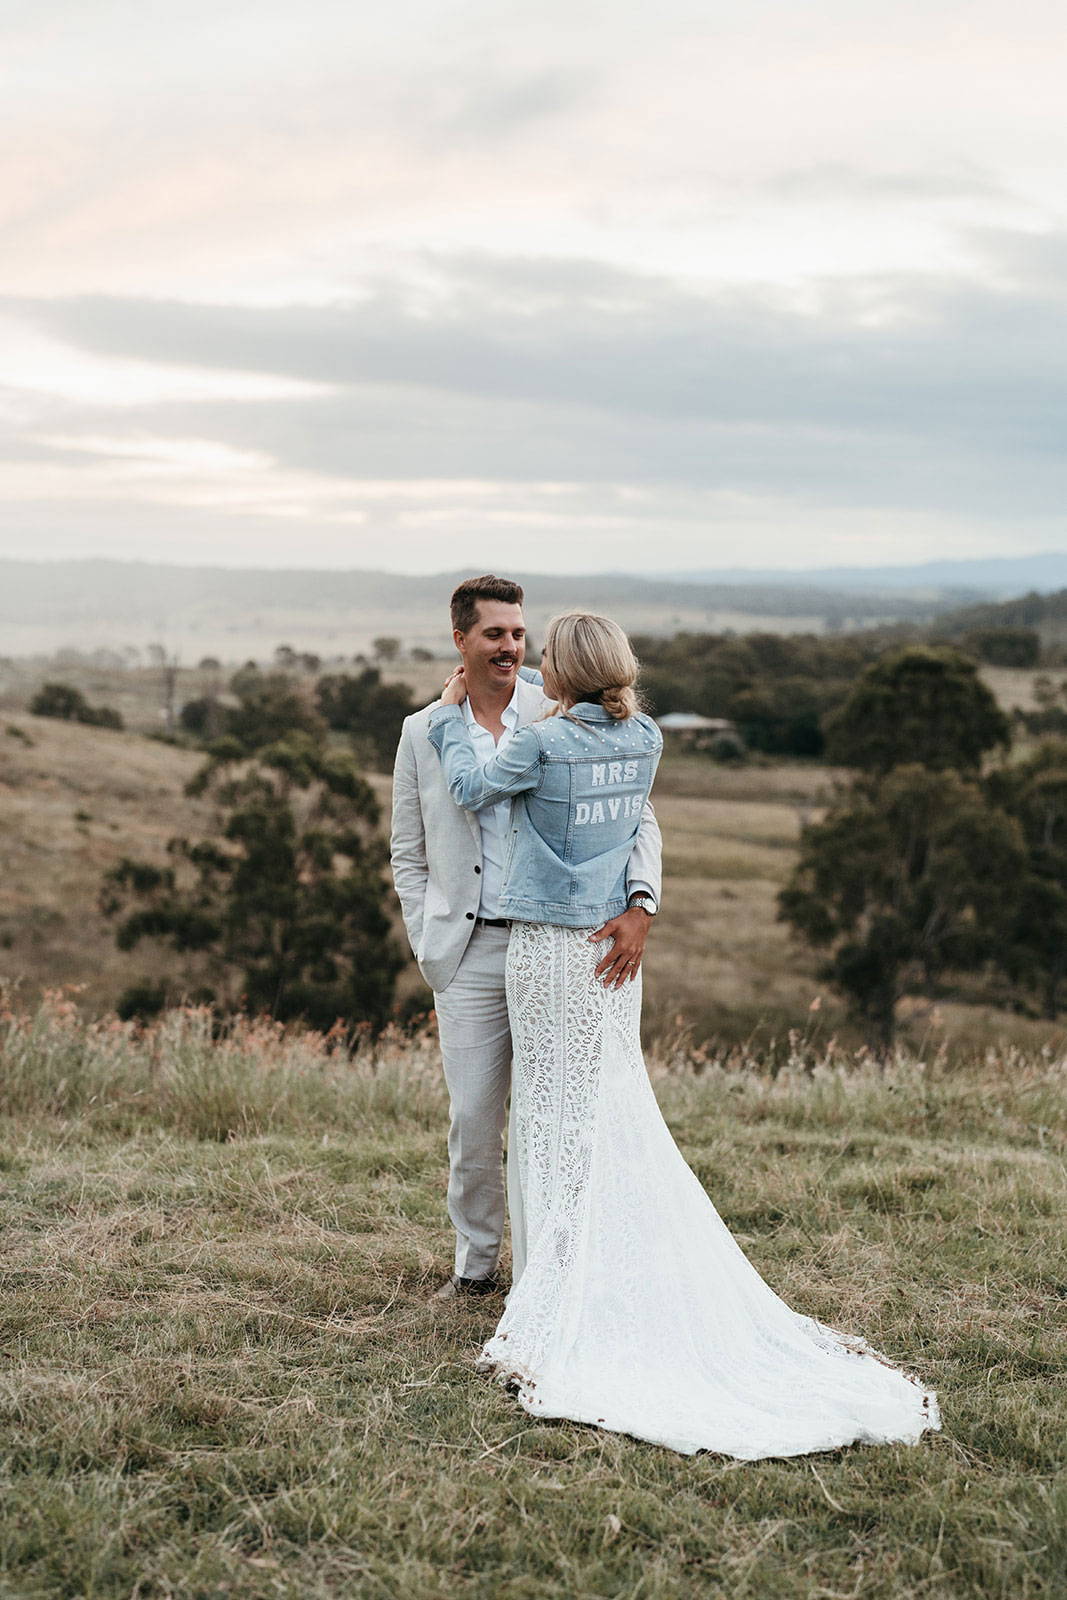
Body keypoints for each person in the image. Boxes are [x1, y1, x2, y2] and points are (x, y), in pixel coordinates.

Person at [427, 608, 941, 1460]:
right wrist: (634, 907)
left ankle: (557, 1287)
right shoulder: (648, 738)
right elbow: (631, 826)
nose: (533, 666)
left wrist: (450, 717)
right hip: (611, 955)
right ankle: (581, 1267)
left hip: (552, 950)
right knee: (591, 1107)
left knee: (549, 1115)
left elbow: (473, 788)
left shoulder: (544, 745)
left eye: (543, 655)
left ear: (567, 669)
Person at [390, 576, 662, 1302]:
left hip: (564, 948)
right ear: (461, 640)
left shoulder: (565, 706)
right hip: (471, 952)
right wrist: (429, 938)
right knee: (475, 1120)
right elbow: (407, 852)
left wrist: (642, 903)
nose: (510, 646)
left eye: (518, 633)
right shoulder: (423, 731)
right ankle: (476, 1270)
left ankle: (562, 1267)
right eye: (494, 634)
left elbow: (636, 813)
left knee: (563, 1111)